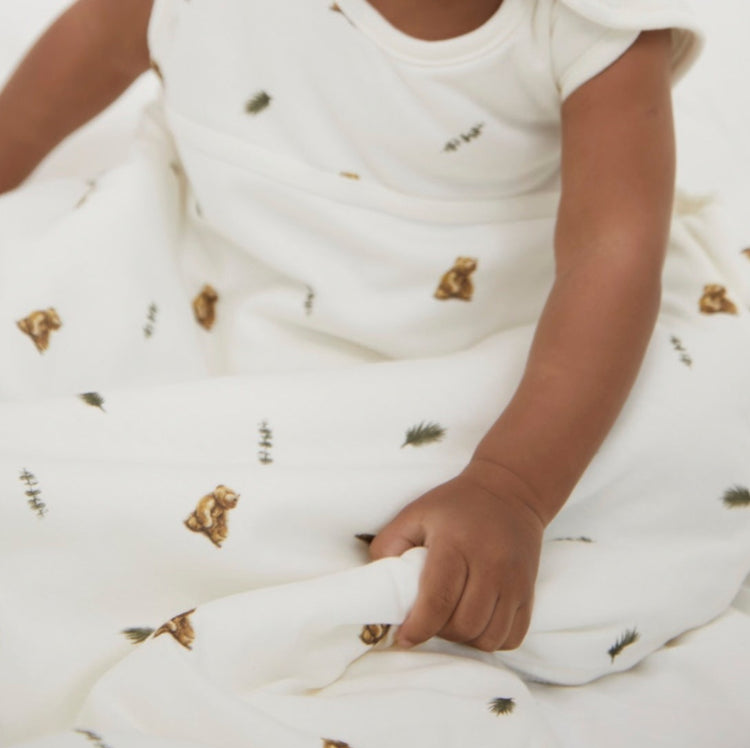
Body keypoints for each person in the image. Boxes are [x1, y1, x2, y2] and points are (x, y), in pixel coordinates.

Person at [0, 0, 743, 666]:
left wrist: (512, 486)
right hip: (210, 260)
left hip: (486, 342)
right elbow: (99, 36)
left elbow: (610, 258)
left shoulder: (588, 23)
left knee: (679, 438)